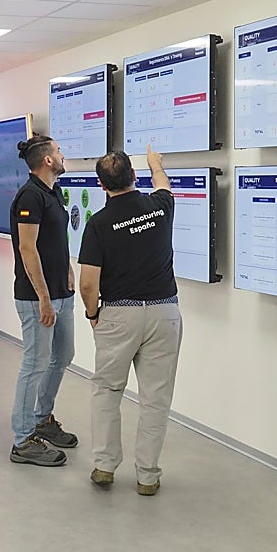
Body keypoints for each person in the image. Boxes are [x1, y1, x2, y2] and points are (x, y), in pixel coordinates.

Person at [78, 145, 182, 497]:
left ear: (101, 184)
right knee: (155, 397)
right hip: (164, 313)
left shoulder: (98, 224)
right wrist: (156, 164)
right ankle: (147, 477)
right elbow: (163, 184)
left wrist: (93, 314)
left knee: (107, 390)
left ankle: (105, 466)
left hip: (119, 314)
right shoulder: (159, 207)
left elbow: (88, 283)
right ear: (134, 177)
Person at [8, 134, 79, 467]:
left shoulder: (53, 193)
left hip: (61, 292)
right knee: (35, 363)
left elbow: (57, 238)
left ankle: (42, 419)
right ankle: (22, 440)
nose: (63, 155)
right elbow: (27, 248)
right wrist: (43, 298)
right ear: (48, 160)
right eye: (59, 152)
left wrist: (67, 269)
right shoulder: (30, 196)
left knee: (63, 354)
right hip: (38, 298)